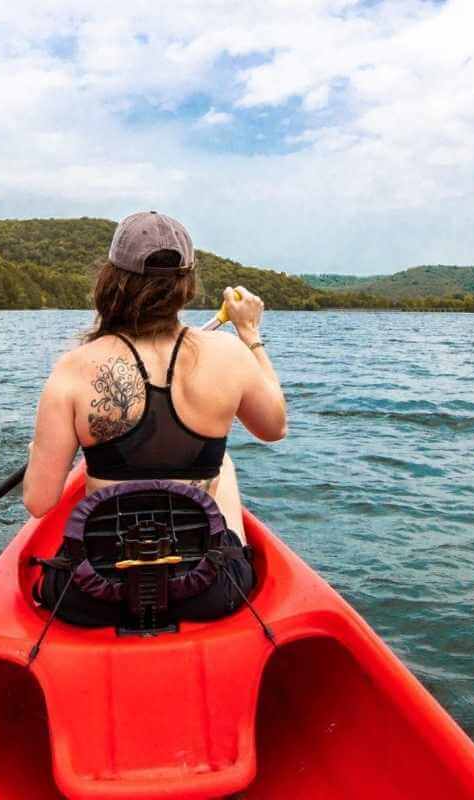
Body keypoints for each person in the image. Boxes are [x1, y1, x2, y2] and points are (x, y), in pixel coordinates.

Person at [23, 210, 287, 623]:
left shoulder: (74, 368)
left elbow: (39, 503)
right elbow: (274, 427)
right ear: (186, 284)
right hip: (210, 589)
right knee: (224, 464)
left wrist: (40, 450)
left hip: (94, 594)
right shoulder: (230, 355)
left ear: (111, 280)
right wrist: (250, 336)